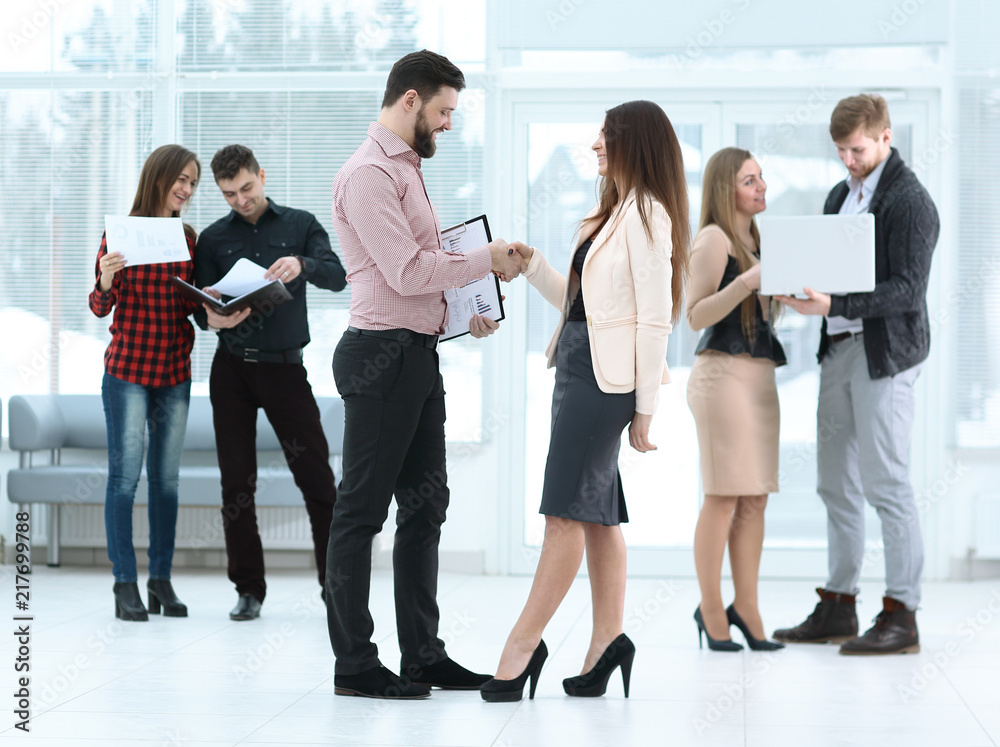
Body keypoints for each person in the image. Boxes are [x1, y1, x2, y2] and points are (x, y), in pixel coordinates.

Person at [326, 49, 521, 700]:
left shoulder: (406, 169)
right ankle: (355, 662)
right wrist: (482, 260)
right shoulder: (368, 175)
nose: (447, 125)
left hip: (415, 352)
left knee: (426, 504)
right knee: (360, 512)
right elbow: (408, 272)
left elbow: (426, 267)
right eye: (442, 111)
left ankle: (423, 654)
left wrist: (467, 307)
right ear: (409, 99)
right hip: (381, 355)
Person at [481, 100, 689, 702]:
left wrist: (646, 408)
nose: (596, 149)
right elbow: (583, 307)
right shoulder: (609, 212)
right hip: (577, 367)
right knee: (596, 513)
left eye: (606, 140)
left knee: (565, 512)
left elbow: (654, 320)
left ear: (635, 145)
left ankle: (522, 647)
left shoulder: (648, 213)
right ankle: (608, 643)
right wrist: (536, 266)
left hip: (605, 385)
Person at [774, 93, 939, 655]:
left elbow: (906, 292)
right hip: (838, 351)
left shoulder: (910, 202)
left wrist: (835, 304)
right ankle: (839, 606)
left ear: (886, 137)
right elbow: (830, 272)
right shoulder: (839, 197)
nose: (848, 159)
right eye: (841, 150)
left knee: (886, 484)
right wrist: (804, 291)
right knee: (833, 483)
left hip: (884, 358)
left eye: (858, 149)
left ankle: (902, 614)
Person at [194, 144, 347, 621]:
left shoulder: (299, 224)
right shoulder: (213, 239)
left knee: (319, 480)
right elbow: (199, 307)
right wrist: (211, 316)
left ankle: (334, 585)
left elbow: (339, 276)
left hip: (285, 370)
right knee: (236, 484)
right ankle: (249, 590)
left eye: (246, 188)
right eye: (228, 194)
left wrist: (303, 264)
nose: (240, 200)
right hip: (232, 370)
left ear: (261, 176)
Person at [89, 144, 202, 621]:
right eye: (180, 179)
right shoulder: (119, 235)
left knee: (167, 481)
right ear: (157, 178)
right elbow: (99, 307)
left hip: (174, 372)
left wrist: (214, 302)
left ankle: (161, 581)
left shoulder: (189, 239)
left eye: (192, 183)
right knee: (124, 479)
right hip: (128, 374)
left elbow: (193, 307)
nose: (186, 189)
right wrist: (106, 280)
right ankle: (125, 584)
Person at [685, 148, 786, 652]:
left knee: (754, 496)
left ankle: (746, 607)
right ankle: (710, 609)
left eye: (762, 177)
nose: (762, 186)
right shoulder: (713, 239)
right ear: (726, 190)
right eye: (750, 180)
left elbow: (760, 316)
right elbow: (695, 316)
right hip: (722, 379)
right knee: (723, 495)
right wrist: (747, 281)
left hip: (759, 378)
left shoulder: (757, 239)